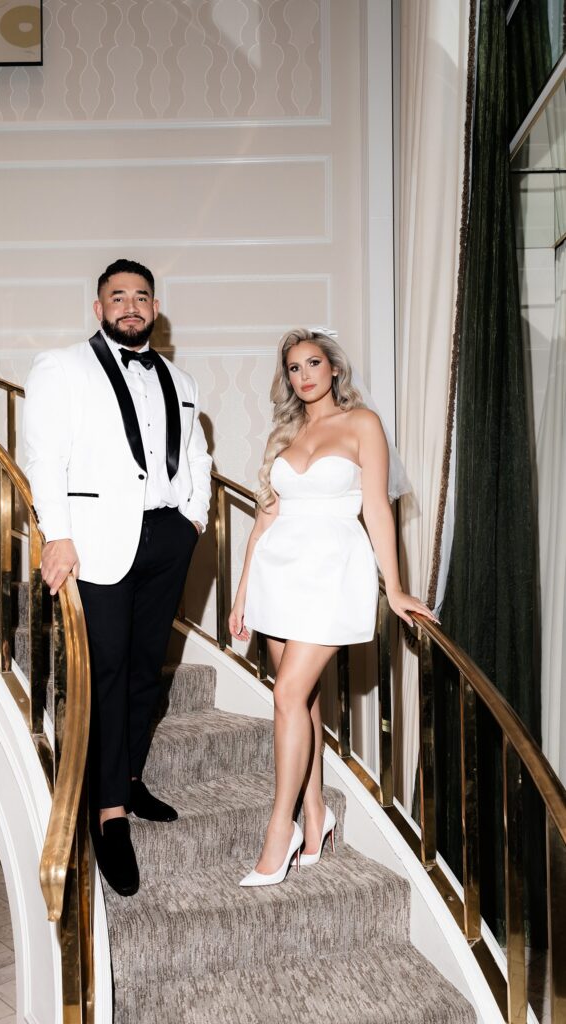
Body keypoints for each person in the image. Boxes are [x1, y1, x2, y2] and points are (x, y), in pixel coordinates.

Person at [23, 258, 212, 897]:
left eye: (141, 296)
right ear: (99, 307)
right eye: (117, 296)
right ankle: (107, 815)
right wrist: (57, 534)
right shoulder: (62, 367)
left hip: (166, 537)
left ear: (155, 307)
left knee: (141, 671)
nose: (130, 306)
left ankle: (128, 779)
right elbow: (42, 455)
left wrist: (194, 519)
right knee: (102, 674)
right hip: (97, 542)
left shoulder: (181, 379)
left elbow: (195, 456)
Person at [229, 327, 435, 887]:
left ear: (334, 368)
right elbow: (264, 519)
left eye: (313, 363)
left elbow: (378, 510)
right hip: (277, 573)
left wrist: (393, 587)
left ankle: (282, 829)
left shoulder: (362, 423)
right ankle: (317, 815)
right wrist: (243, 591)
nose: (305, 375)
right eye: (294, 368)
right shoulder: (285, 433)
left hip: (332, 571)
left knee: (288, 694)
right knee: (305, 700)